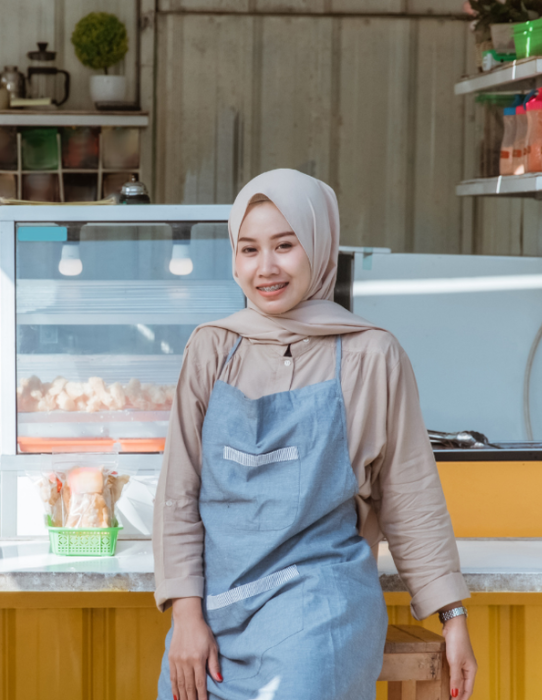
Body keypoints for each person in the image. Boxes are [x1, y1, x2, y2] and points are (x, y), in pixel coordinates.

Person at [153, 169, 477, 700]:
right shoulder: (211, 350)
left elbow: (411, 497)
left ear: (321, 246)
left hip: (319, 611)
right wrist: (186, 615)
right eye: (249, 249)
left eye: (285, 245)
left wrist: (452, 615)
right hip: (215, 613)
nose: (266, 268)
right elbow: (178, 495)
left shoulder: (372, 356)